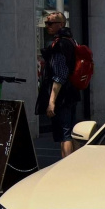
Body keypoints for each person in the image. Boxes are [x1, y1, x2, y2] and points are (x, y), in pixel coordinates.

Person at [36, 11, 80, 159]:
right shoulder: (72, 41)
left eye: (50, 23)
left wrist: (52, 101)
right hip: (72, 92)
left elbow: (60, 74)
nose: (47, 26)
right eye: (46, 23)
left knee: (65, 134)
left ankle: (66, 166)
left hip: (63, 95)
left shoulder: (60, 44)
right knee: (71, 131)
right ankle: (79, 163)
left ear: (61, 24)